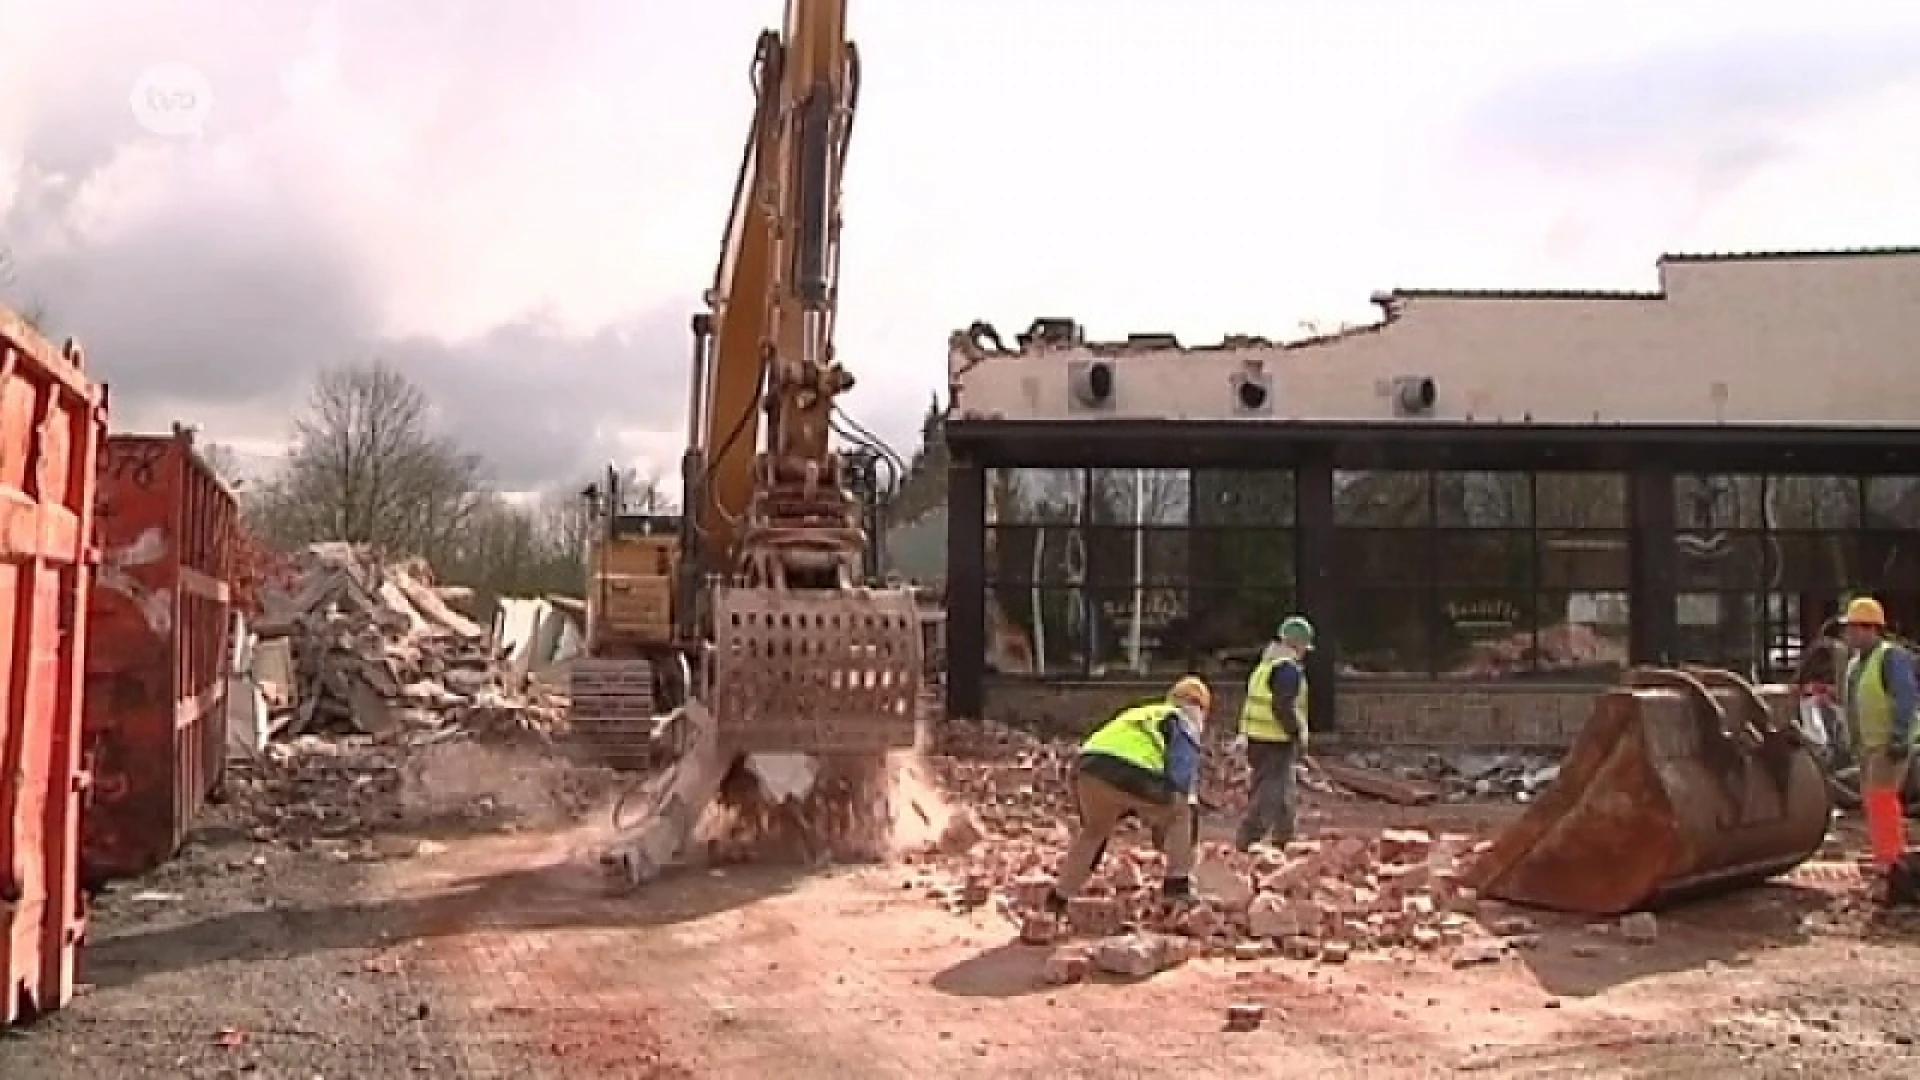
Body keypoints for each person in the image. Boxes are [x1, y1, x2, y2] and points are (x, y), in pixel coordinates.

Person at [1044, 676, 1212, 915]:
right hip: (1132, 773)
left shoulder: (1143, 713)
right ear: (1200, 707)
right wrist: (1168, 823)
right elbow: (1181, 775)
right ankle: (1177, 887)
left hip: (1087, 767)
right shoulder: (1181, 719)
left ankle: (1057, 900)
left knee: (1094, 832)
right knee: (1185, 811)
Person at [1841, 595, 1918, 869]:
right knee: (1873, 802)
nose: (1848, 634)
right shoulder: (1855, 665)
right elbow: (1852, 706)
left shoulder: (1891, 658)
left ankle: (1891, 859)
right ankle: (1886, 853)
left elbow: (1905, 698)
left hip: (1888, 744)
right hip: (1869, 745)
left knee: (1882, 800)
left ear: (1870, 629)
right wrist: (1853, 742)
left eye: (1853, 628)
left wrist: (1898, 737)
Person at [1234, 616, 1314, 851]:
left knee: (1284, 789)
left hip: (1259, 737)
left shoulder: (1266, 665)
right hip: (1274, 740)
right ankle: (1249, 839)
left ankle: (1284, 837)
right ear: (1297, 644)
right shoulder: (1286, 669)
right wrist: (1296, 733)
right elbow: (1282, 706)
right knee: (1271, 791)